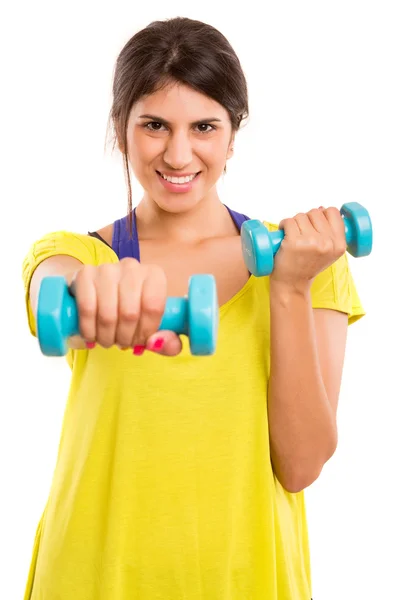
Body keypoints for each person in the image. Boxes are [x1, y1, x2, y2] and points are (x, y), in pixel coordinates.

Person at [21, 16, 366, 600]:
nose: (178, 155)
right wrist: (93, 296)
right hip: (93, 578)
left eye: (204, 126)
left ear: (234, 133)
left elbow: (301, 465)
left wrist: (288, 289)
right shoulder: (76, 254)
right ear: (120, 129)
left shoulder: (312, 265)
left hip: (246, 579)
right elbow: (53, 289)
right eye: (154, 125)